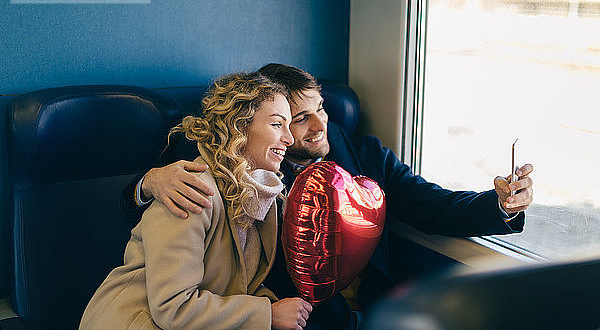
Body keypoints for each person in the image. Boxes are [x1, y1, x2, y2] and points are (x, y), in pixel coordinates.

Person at [128, 64, 534, 329]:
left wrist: (501, 204)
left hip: (373, 307)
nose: (318, 125)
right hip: (294, 315)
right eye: (298, 119)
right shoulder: (252, 172)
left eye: (320, 108)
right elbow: (196, 175)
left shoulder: (365, 155)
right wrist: (149, 181)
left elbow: (435, 205)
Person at [81, 72, 313, 330]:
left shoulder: (260, 196)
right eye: (277, 124)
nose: (289, 139)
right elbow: (174, 308)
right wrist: (267, 314)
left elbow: (235, 284)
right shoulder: (189, 189)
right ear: (240, 126)